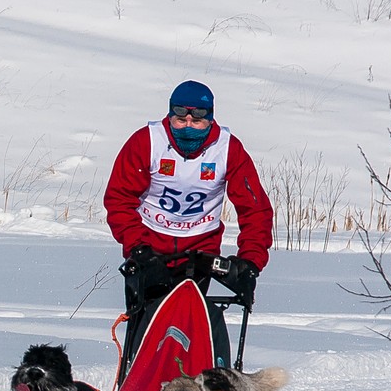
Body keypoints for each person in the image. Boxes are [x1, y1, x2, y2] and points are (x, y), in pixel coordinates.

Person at [103, 80, 274, 374]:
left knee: (197, 321)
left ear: (210, 118)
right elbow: (118, 199)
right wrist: (137, 247)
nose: (187, 127)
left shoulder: (228, 149)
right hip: (150, 251)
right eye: (180, 119)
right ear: (170, 115)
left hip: (200, 254)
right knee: (150, 322)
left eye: (197, 120)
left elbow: (255, 209)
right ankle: (139, 381)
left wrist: (250, 261)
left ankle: (204, 382)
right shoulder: (147, 141)